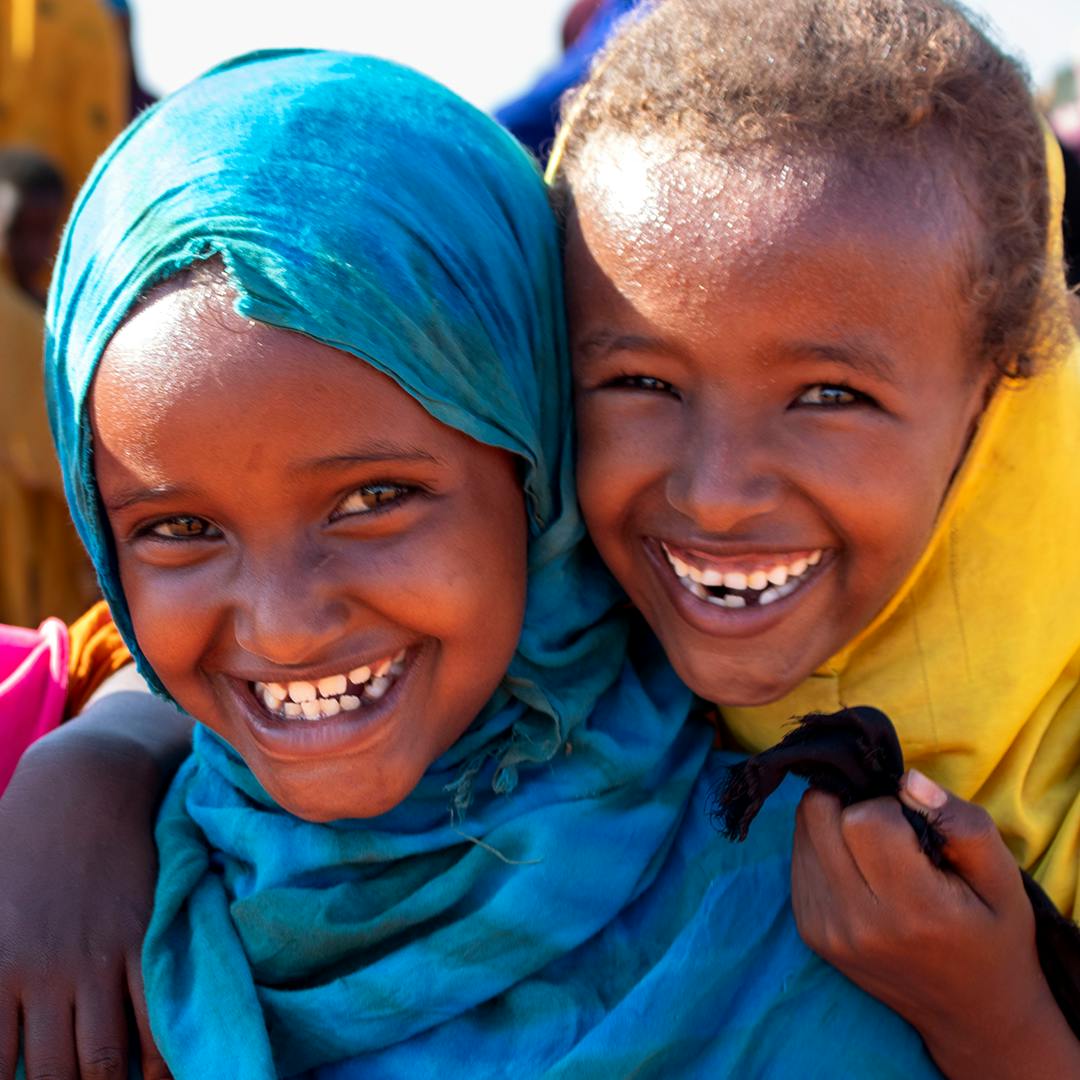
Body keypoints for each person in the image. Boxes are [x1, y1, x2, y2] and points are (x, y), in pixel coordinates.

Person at [2, 48, 948, 1078]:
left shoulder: (841, 914)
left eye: (373, 501)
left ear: (537, 471)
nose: (283, 625)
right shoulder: (67, 930)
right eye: (180, 528)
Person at [550, 0, 1080, 1072]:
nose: (715, 495)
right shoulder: (545, 661)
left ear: (993, 394)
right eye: (641, 382)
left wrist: (993, 1017)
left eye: (830, 395)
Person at [0, 148, 97, 627]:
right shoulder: (13, 320)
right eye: (19, 230)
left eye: (46, 231)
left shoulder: (46, 309)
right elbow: (47, 454)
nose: (33, 248)